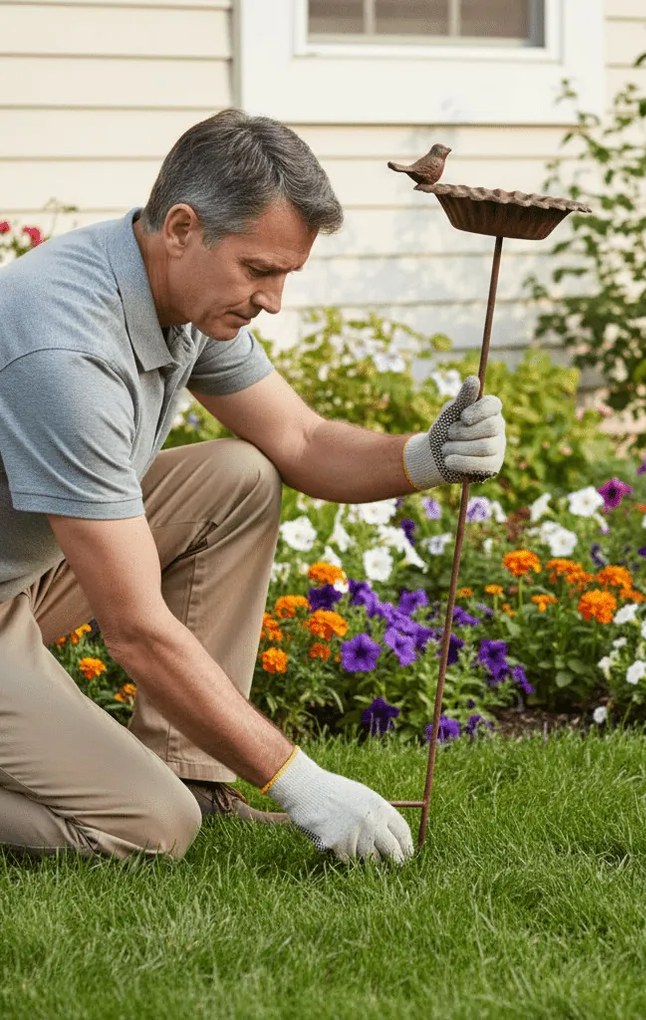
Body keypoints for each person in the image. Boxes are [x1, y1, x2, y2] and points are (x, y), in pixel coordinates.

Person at [0, 109, 506, 865]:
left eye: (285, 275)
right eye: (259, 270)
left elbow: (299, 440)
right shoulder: (65, 350)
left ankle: (194, 775)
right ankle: (171, 800)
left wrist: (430, 455)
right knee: (151, 828)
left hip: (23, 571)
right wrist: (299, 781)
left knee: (238, 478)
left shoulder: (176, 293)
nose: (273, 300)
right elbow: (136, 629)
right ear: (182, 228)